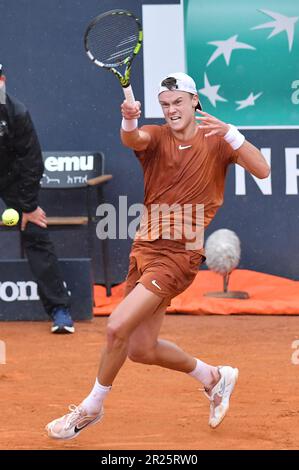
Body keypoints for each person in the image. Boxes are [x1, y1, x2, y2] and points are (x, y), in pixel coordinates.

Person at [46, 72, 270, 438]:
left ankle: (91, 407)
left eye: (178, 102)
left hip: (180, 255)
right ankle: (214, 377)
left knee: (117, 325)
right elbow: (132, 136)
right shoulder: (156, 136)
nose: (171, 110)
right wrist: (130, 116)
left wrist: (231, 132)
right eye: (165, 105)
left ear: (195, 101)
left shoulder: (218, 139)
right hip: (144, 249)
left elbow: (263, 168)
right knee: (140, 348)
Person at [0, 64, 74, 334]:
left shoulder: (17, 112)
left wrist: (28, 207)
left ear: (3, 80)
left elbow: (32, 162)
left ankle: (59, 310)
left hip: (12, 179)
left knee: (35, 230)